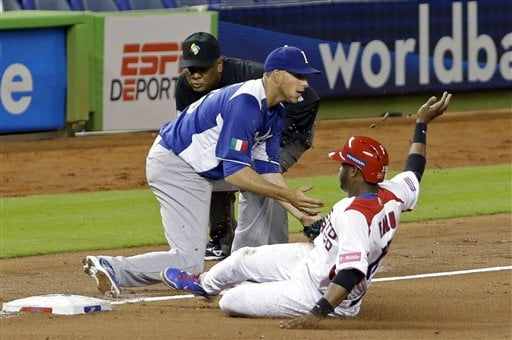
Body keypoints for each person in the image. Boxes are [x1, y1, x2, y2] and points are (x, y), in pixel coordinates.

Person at [159, 92, 453, 326]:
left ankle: (252, 294)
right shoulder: (392, 192)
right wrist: (422, 124)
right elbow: (415, 169)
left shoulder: (355, 215)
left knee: (231, 301)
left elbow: (351, 272)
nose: (339, 168)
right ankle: (203, 285)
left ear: (355, 173)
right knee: (242, 259)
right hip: (314, 261)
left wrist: (318, 313)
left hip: (319, 292)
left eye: (343, 164)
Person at [83, 45, 324, 298]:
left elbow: (266, 168)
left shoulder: (275, 111)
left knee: (264, 191)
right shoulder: (246, 104)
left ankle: (247, 271)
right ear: (276, 75)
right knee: (188, 262)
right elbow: (235, 173)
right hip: (175, 166)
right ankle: (112, 266)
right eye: (299, 76)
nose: (305, 83)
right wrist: (288, 196)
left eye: (305, 77)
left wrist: (305, 218)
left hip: (202, 167)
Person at [175, 32, 321, 260]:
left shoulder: (256, 78)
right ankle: (224, 242)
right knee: (219, 170)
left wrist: (271, 132)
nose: (194, 75)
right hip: (244, 133)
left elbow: (309, 98)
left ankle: (274, 246)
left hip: (289, 132)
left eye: (202, 68)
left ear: (219, 65)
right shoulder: (185, 88)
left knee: (260, 181)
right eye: (190, 68)